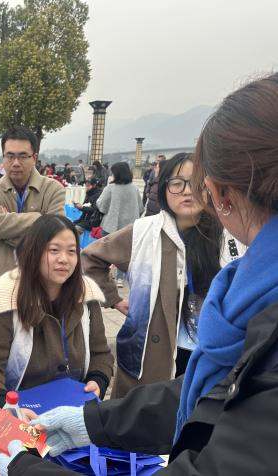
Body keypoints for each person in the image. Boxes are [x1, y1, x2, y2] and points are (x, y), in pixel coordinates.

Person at [0, 72, 278, 476]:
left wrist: (26, 469)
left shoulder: (241, 271)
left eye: (195, 183)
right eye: (178, 183)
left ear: (218, 193)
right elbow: (216, 391)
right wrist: (94, 422)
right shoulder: (156, 238)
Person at [82, 153, 245, 398]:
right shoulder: (144, 232)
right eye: (177, 183)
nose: (187, 191)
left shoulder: (230, 233)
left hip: (210, 352)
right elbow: (90, 258)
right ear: (164, 188)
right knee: (148, 412)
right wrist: (114, 299)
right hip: (151, 356)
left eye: (196, 182)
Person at [0, 214, 114, 408]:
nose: (64, 259)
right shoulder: (6, 296)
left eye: (72, 251)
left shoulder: (85, 296)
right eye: (54, 250)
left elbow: (101, 353)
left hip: (73, 408)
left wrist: (98, 380)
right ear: (34, 252)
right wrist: (7, 408)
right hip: (19, 410)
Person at [0, 126, 65, 291]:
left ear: (34, 158)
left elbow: (56, 235)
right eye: (10, 156)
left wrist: (7, 232)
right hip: (2, 284)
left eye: (23, 156)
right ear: (3, 157)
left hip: (42, 285)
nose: (16, 163)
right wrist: (40, 218)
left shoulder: (53, 189)